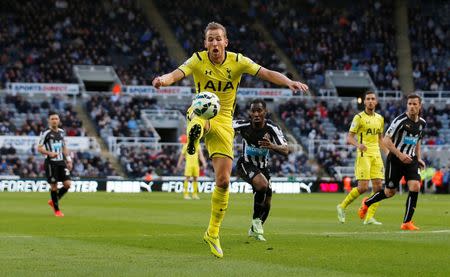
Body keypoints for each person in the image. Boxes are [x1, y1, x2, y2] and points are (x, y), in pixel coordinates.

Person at [152, 22, 308, 258]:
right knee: (198, 116)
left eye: (218, 39)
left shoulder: (238, 61)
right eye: (210, 39)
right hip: (202, 112)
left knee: (224, 181)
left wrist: (288, 81)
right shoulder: (197, 59)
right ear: (205, 44)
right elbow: (176, 73)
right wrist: (162, 80)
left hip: (225, 120)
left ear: (226, 41)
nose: (214, 43)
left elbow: (265, 72)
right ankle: (195, 136)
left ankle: (212, 232)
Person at [359, 94, 426, 230]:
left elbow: (417, 141)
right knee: (390, 192)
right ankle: (367, 202)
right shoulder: (399, 121)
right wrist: (400, 155)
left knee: (415, 186)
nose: (412, 107)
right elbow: (386, 140)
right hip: (395, 160)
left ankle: (407, 222)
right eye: (410, 104)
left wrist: (418, 158)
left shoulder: (422, 123)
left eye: (415, 104)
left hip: (411, 160)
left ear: (420, 106)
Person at [234, 99, 288, 242]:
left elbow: (286, 149)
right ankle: (256, 220)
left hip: (263, 168)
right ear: (250, 113)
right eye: (253, 111)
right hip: (245, 164)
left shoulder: (272, 128)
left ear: (265, 112)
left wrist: (272, 146)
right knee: (262, 185)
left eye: (259, 110)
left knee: (267, 201)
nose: (256, 114)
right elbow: (224, 128)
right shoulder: (242, 125)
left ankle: (255, 229)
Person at [336, 91, 385, 225]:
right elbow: (349, 137)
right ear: (364, 102)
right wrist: (358, 145)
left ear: (376, 102)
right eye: (368, 99)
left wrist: (388, 152)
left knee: (379, 188)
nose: (370, 101)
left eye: (372, 99)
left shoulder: (380, 118)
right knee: (363, 187)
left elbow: (380, 138)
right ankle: (342, 206)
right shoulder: (358, 117)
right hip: (364, 154)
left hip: (376, 154)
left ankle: (369, 217)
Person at [37, 111, 73, 217]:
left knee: (68, 184)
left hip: (61, 162)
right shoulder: (45, 133)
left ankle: (54, 200)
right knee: (54, 187)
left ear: (59, 120)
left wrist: (69, 160)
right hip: (51, 163)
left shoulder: (61, 132)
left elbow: (64, 147)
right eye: (52, 119)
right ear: (49, 121)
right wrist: (49, 153)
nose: (54, 121)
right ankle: (57, 210)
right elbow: (39, 148)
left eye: (56, 119)